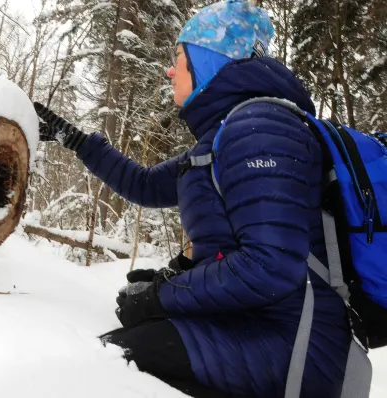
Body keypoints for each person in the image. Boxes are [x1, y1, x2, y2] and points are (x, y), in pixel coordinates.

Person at [34, 1, 360, 396]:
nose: (170, 70)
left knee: (100, 365)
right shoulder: (225, 136)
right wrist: (77, 140)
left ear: (208, 61)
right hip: (254, 322)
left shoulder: (260, 129)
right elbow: (145, 185)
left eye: (179, 57)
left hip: (296, 343)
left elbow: (269, 265)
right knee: (116, 348)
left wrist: (164, 297)